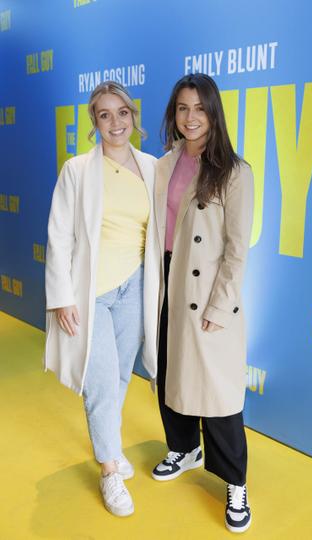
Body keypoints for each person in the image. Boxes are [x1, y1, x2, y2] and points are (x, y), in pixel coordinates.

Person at [44, 81, 159, 517]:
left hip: (136, 285)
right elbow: (58, 235)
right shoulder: (77, 169)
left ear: (133, 116)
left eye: (122, 113)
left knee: (121, 378)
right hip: (91, 290)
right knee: (101, 382)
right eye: (105, 115)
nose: (116, 122)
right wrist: (61, 296)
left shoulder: (152, 167)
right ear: (94, 123)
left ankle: (110, 445)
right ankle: (110, 469)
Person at [152, 73, 254, 533]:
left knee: (218, 395)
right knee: (171, 373)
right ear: (173, 114)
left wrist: (220, 306)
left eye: (199, 108)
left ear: (213, 113)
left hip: (208, 294)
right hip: (168, 281)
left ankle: (236, 483)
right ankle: (183, 448)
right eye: (181, 108)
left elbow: (237, 250)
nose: (190, 118)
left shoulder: (235, 171)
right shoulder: (162, 164)